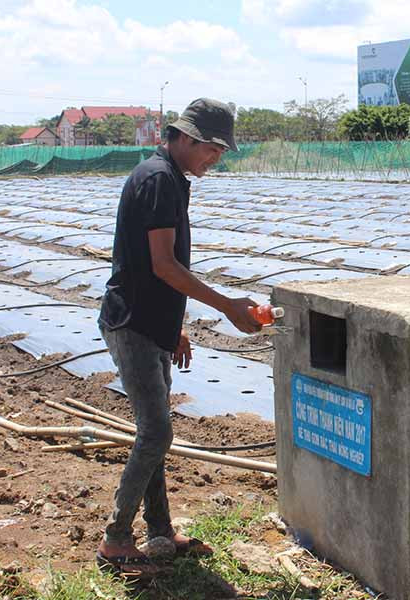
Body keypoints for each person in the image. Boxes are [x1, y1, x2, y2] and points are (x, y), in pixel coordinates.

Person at [96, 98, 261, 577]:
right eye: (212, 148)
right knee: (156, 432)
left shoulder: (170, 178)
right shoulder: (157, 179)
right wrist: (228, 305)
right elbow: (163, 265)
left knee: (156, 434)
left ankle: (161, 532)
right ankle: (116, 539)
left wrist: (176, 325)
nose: (217, 158)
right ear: (186, 139)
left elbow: (164, 270)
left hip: (153, 323)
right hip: (132, 324)